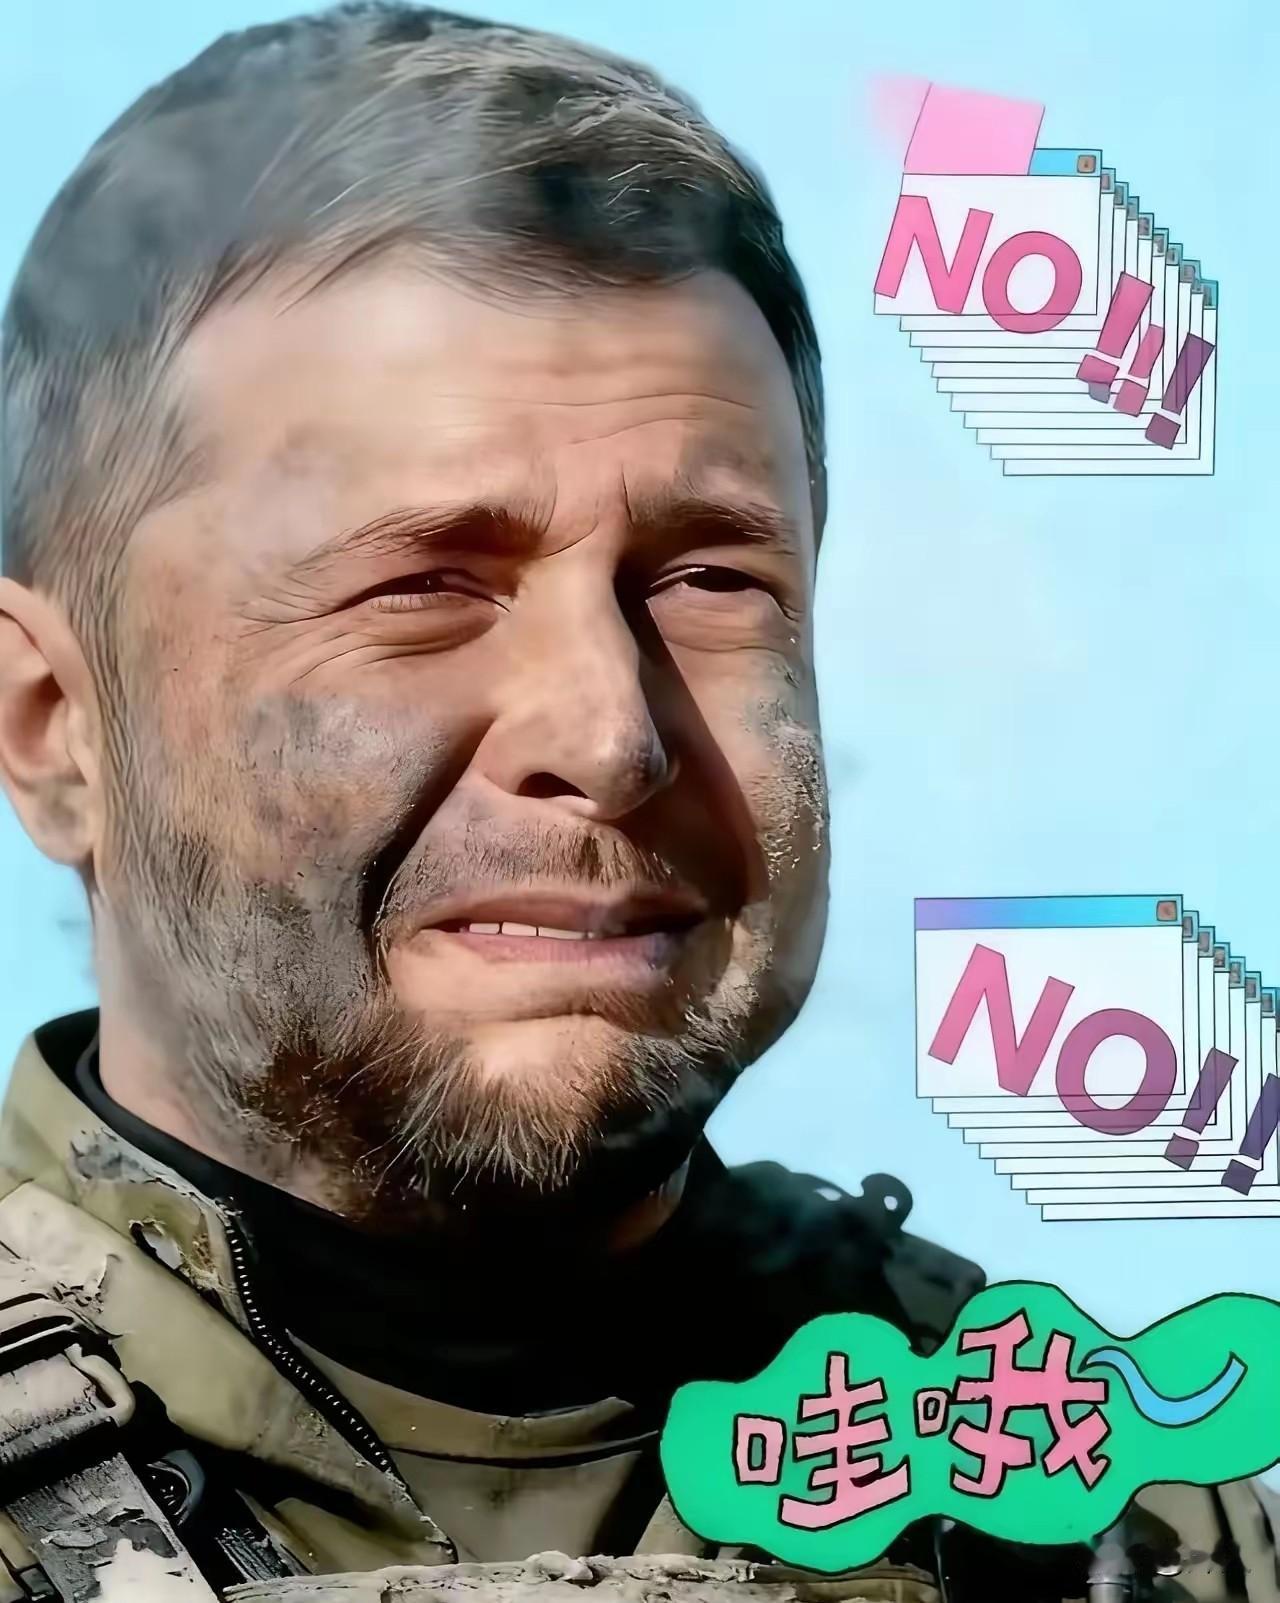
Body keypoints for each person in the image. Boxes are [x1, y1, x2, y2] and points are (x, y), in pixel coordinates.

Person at [0, 4, 1273, 1599]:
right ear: (55, 727)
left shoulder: (1124, 1526)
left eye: (706, 581)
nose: (611, 736)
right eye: (425, 586)